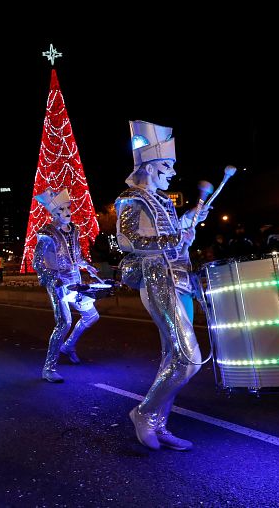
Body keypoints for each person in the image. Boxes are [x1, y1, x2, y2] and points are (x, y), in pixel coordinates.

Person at [115, 120, 208, 451]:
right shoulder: (130, 198)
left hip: (180, 279)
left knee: (172, 357)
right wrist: (175, 236)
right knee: (190, 359)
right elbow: (127, 239)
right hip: (157, 279)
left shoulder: (163, 201)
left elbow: (173, 240)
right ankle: (144, 413)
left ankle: (157, 424)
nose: (171, 171)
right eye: (167, 165)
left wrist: (190, 222)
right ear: (150, 166)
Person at [33, 188, 102, 382]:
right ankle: (48, 368)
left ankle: (69, 345)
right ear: (54, 213)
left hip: (75, 281)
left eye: (68, 208)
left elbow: (76, 257)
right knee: (64, 322)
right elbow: (37, 262)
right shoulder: (46, 234)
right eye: (61, 210)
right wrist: (51, 278)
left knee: (92, 315)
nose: (67, 213)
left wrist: (88, 266)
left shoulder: (74, 230)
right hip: (58, 283)